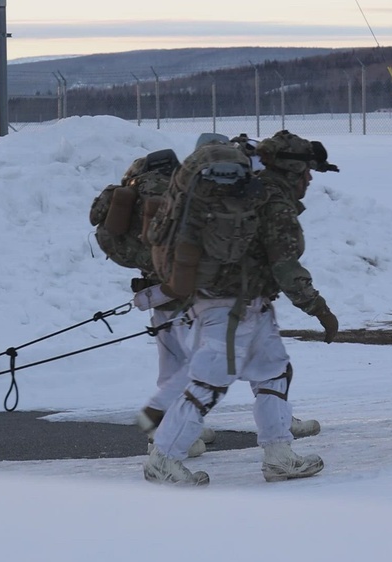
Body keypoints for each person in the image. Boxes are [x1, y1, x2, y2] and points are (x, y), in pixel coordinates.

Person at [144, 130, 339, 485]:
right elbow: (285, 266)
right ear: (292, 172)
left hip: (250, 307)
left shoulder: (254, 193)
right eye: (307, 172)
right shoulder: (270, 201)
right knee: (208, 384)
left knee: (274, 373)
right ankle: (164, 457)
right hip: (229, 310)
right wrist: (319, 309)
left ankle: (279, 455)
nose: (310, 179)